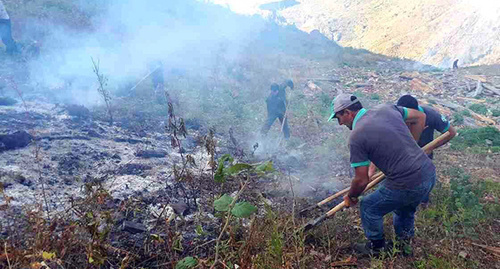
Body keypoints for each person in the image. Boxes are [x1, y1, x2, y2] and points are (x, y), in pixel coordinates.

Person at [328, 93, 435, 256]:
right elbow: (420, 116)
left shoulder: (356, 137)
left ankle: (376, 247)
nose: (340, 123)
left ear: (348, 112)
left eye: (338, 118)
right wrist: (412, 146)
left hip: (408, 183)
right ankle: (404, 246)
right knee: (404, 209)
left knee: (369, 206)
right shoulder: (387, 109)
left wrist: (352, 197)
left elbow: (361, 180)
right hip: (428, 173)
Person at [396, 94, 456, 205]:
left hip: (423, 156)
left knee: (423, 183)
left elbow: (451, 133)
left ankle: (423, 204)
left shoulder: (431, 115)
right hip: (402, 156)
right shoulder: (396, 115)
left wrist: (431, 148)